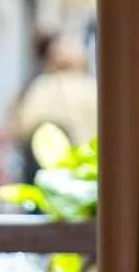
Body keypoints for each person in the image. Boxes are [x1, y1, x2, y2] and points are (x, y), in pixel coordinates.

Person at [13, 34, 98, 174]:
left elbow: (23, 126)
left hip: (53, 173)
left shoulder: (44, 87)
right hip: (88, 170)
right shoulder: (93, 88)